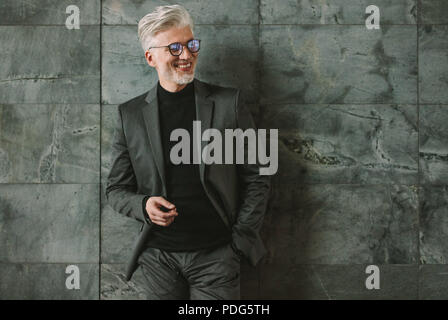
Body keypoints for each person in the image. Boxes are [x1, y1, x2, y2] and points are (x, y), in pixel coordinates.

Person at [105, 4, 271, 300]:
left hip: (217, 256)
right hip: (157, 259)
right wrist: (143, 206)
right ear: (150, 57)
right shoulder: (128, 115)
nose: (187, 55)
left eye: (191, 44)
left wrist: (238, 242)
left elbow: (258, 174)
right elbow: (116, 189)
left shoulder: (230, 103)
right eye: (175, 47)